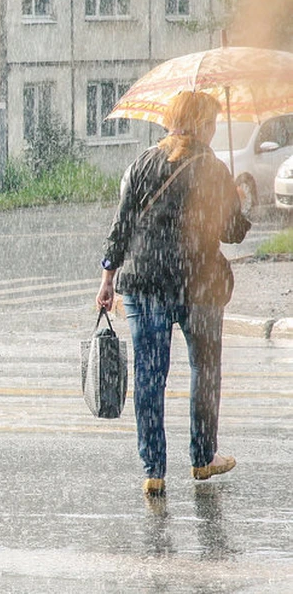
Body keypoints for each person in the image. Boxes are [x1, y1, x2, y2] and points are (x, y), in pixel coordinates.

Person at [95, 91, 251, 496]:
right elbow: (232, 233)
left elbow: (122, 224)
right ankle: (202, 458)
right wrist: (236, 198)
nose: (216, 131)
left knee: (150, 376)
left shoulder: (142, 163)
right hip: (198, 283)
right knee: (205, 371)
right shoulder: (212, 169)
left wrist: (108, 278)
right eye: (213, 124)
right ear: (201, 125)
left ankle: (154, 470)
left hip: (144, 283)